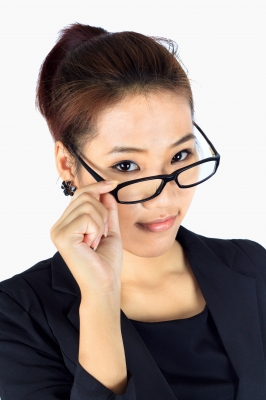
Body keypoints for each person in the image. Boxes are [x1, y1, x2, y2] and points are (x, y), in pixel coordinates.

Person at [0, 22, 265, 400]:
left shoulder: (252, 266)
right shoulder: (18, 314)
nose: (163, 199)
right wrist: (100, 296)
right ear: (66, 163)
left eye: (180, 156)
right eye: (127, 166)